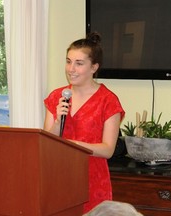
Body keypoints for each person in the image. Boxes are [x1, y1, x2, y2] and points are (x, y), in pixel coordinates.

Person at [43, 32, 125, 213]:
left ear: (94, 67)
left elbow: (108, 150)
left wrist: (73, 145)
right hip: (58, 178)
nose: (71, 69)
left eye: (79, 63)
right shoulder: (57, 96)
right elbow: (46, 144)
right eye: (68, 61)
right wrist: (57, 122)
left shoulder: (108, 100)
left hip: (92, 182)